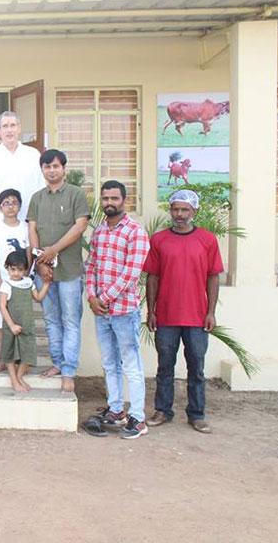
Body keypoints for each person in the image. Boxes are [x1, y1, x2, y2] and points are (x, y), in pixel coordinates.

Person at [143, 189, 223, 434]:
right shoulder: (158, 240)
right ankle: (162, 410)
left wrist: (210, 312)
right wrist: (151, 310)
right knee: (164, 366)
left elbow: (213, 277)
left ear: (194, 211)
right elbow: (152, 277)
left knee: (196, 367)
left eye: (185, 210)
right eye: (176, 209)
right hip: (166, 316)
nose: (179, 214)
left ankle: (197, 414)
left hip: (197, 317)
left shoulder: (208, 240)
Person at [0, 111, 45, 352]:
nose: (10, 130)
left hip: (24, 228)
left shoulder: (32, 155)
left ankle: (21, 332)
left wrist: (37, 229)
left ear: (20, 127)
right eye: (5, 126)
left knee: (23, 281)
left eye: (13, 125)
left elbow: (40, 192)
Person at [85, 180, 151, 439]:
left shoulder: (135, 231)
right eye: (105, 199)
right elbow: (91, 266)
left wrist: (103, 297)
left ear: (124, 200)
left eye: (114, 198)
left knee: (131, 365)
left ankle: (137, 418)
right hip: (101, 311)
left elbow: (131, 274)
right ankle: (115, 410)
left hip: (124, 311)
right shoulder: (99, 231)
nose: (109, 203)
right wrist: (92, 296)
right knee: (109, 363)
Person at [27, 149, 90, 393]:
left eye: (56, 166)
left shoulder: (76, 195)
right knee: (51, 320)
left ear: (63, 168)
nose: (52, 170)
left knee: (71, 321)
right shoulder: (37, 198)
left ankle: (69, 371)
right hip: (44, 272)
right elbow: (32, 230)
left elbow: (80, 225)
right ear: (42, 170)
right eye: (47, 167)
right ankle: (56, 363)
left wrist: (53, 250)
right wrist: (39, 260)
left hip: (70, 269)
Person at [0, 188, 30, 370]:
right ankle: (2, 359)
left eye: (14, 203)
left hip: (20, 281)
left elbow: (29, 253)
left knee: (19, 319)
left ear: (19, 206)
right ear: (0, 207)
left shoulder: (25, 228)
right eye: (6, 203)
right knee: (0, 320)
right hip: (3, 282)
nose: (10, 207)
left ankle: (20, 358)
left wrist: (26, 277)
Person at [0, 250, 49, 393]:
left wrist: (46, 284)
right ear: (7, 268)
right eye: (12, 269)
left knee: (27, 352)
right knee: (9, 352)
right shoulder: (6, 284)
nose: (15, 273)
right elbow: (2, 306)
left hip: (26, 324)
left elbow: (38, 297)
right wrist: (11, 325)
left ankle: (20, 376)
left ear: (25, 270)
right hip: (11, 325)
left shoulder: (28, 283)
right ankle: (14, 380)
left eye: (20, 270)